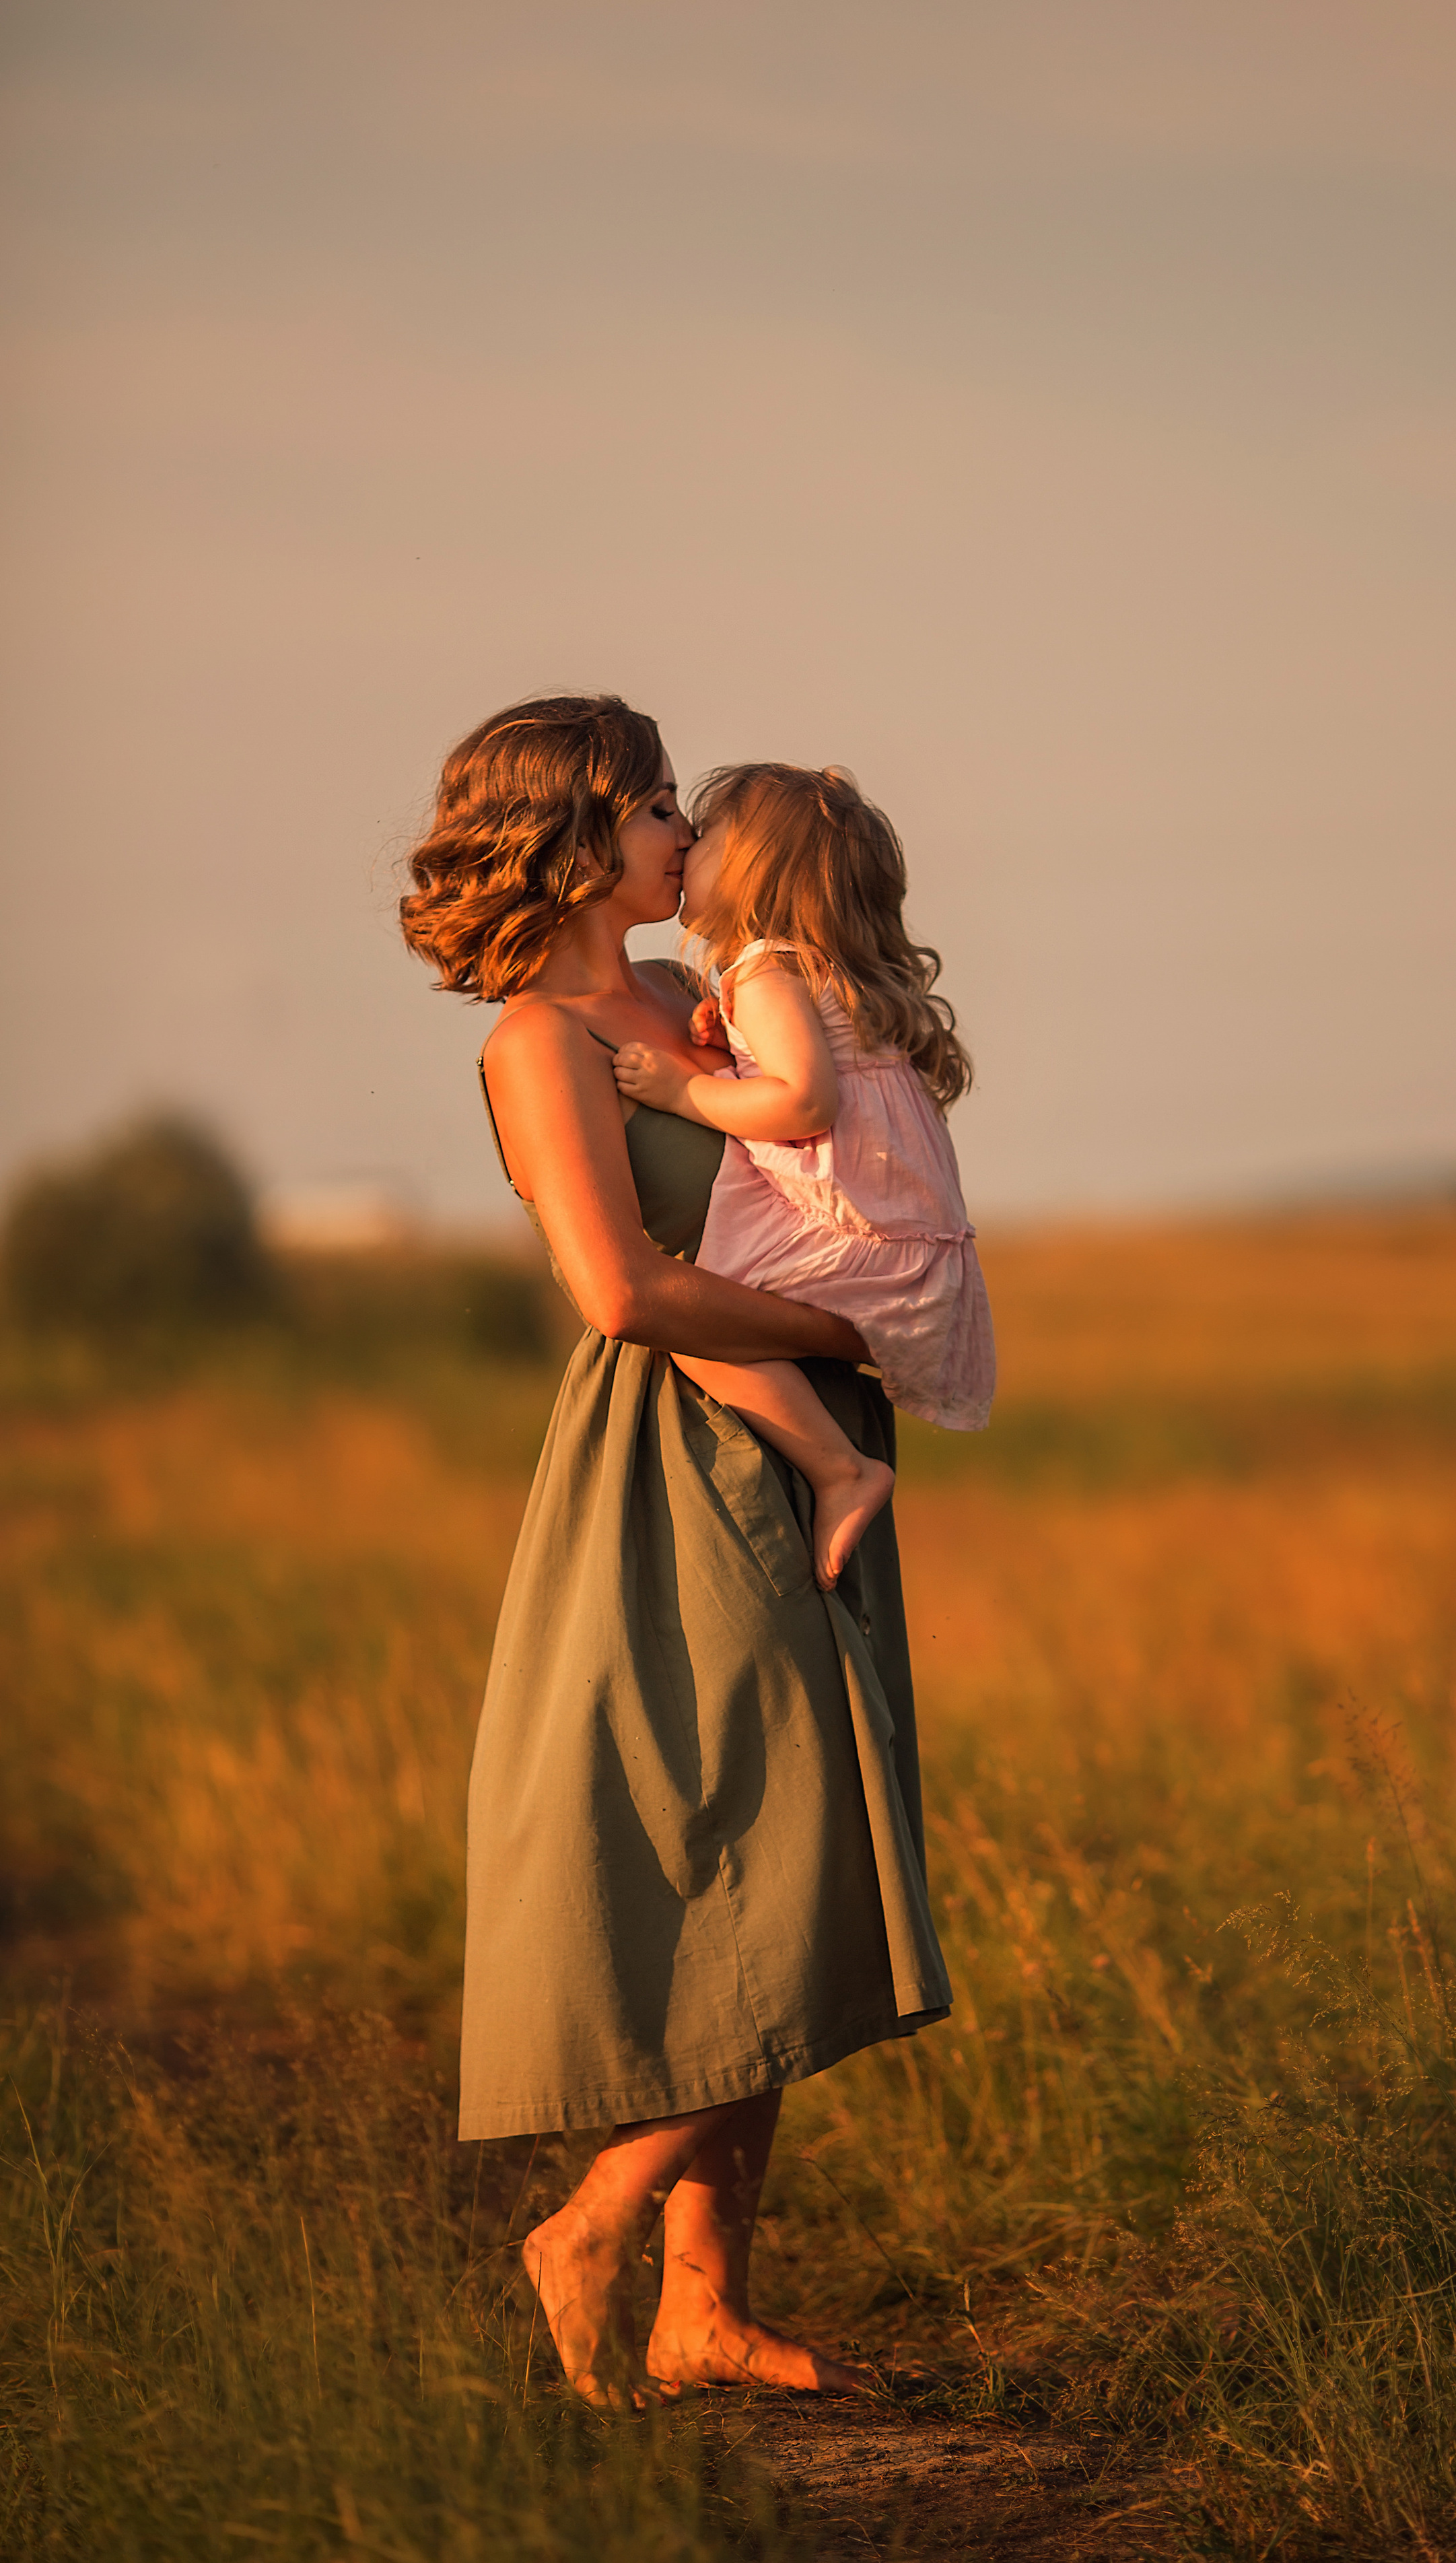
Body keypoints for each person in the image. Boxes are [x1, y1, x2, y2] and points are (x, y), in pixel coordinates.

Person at [398, 697, 952, 2408]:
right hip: (678, 1452)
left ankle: (701, 2303)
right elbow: (619, 1287)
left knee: (803, 1851)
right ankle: (592, 2220)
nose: (674, 827)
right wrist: (844, 1335)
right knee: (764, 1864)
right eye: (646, 801)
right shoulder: (537, 1036)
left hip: (807, 1439)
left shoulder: (709, 991)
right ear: (571, 838)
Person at [611, 763, 994, 1592]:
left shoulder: (762, 970)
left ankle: (836, 1469)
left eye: (703, 833)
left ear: (752, 867)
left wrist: (686, 1088)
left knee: (688, 1305)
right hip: (914, 1253)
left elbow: (805, 1101)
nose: (683, 842)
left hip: (875, 1250)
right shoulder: (804, 971)